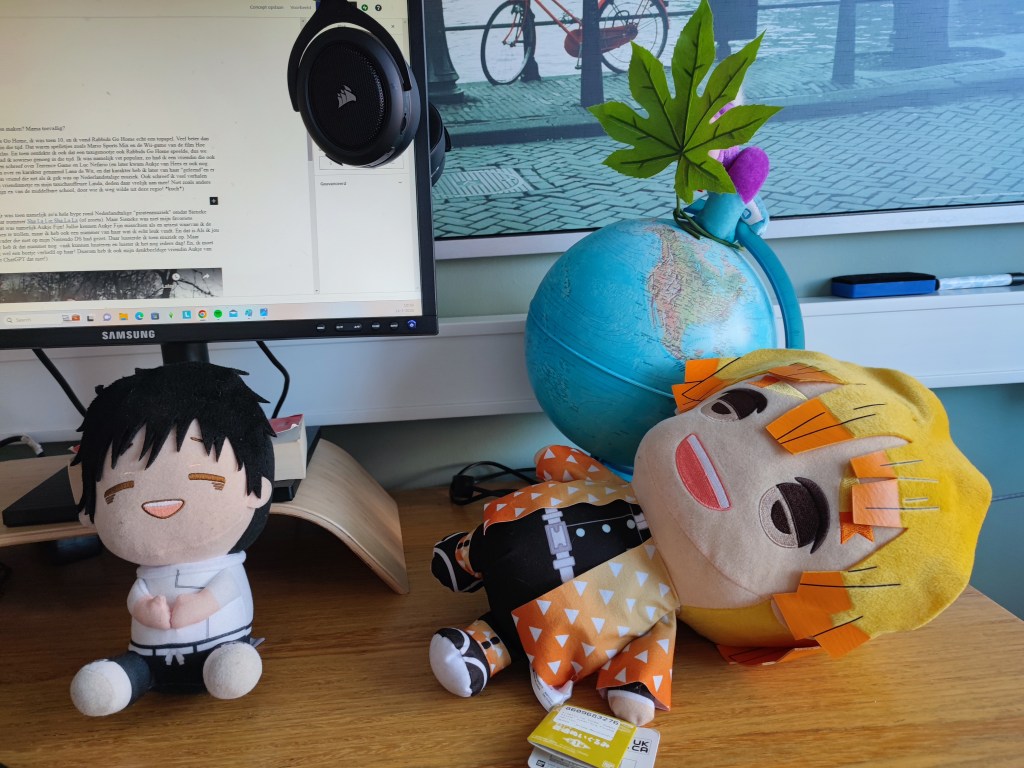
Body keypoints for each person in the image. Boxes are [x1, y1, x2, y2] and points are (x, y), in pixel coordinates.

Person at [69, 362, 275, 717]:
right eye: (123, 487)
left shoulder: (224, 567)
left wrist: (202, 604)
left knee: (231, 666)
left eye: (200, 477)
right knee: (120, 676)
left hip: (217, 648)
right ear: (90, 510)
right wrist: (143, 609)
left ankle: (228, 665)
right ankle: (123, 680)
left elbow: (227, 589)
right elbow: (138, 595)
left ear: (258, 491)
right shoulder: (147, 575)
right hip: (149, 657)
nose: (158, 502)